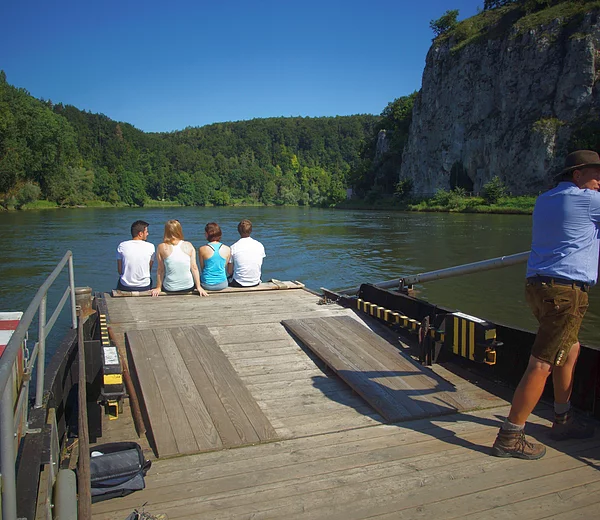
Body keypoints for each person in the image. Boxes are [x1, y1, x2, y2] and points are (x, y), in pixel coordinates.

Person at [491, 150, 600, 460]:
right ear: (577, 176)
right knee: (542, 363)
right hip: (566, 294)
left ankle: (563, 419)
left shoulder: (545, 200)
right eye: (596, 176)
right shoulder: (587, 201)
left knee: (571, 348)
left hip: (539, 287)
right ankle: (510, 436)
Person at [151, 220, 208, 297]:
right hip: (188, 286)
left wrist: (158, 287)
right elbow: (194, 268)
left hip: (170, 288)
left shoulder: (162, 247)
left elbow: (160, 269)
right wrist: (199, 287)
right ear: (179, 230)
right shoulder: (189, 245)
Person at [116, 220, 155, 292]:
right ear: (140, 234)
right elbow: (148, 269)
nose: (148, 234)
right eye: (146, 232)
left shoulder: (122, 245)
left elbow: (120, 270)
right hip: (144, 286)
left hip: (126, 286)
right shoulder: (151, 247)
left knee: (121, 280)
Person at [228, 219, 266, 288]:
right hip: (255, 282)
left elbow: (229, 271)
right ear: (251, 230)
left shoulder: (233, 247)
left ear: (238, 231)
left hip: (239, 283)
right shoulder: (259, 245)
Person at [199, 222, 231, 291]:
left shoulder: (202, 249)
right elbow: (223, 266)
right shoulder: (227, 249)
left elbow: (202, 268)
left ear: (207, 234)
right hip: (223, 284)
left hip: (207, 284)